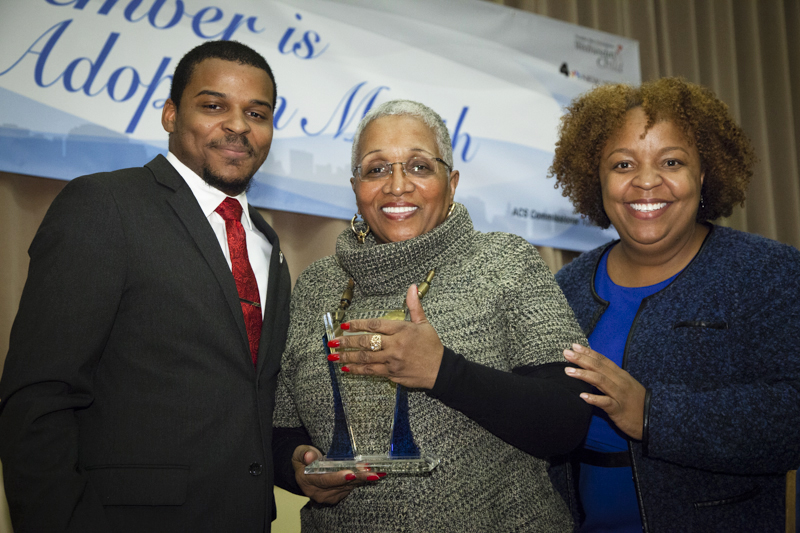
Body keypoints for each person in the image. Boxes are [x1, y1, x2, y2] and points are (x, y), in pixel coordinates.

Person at [0, 40, 291, 532]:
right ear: (170, 114)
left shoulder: (266, 241)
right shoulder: (104, 205)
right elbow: (38, 397)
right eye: (214, 105)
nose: (239, 126)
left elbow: (247, 398)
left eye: (256, 113)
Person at [271, 99, 593, 532]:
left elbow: (568, 419)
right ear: (355, 186)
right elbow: (280, 430)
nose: (397, 185)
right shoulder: (317, 286)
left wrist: (444, 371)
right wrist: (299, 467)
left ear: (452, 181)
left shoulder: (507, 262)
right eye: (377, 169)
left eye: (420, 166)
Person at [548, 77, 800, 531]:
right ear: (598, 181)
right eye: (623, 164)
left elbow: (792, 417)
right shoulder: (562, 288)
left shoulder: (771, 273)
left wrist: (652, 413)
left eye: (671, 161)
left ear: (702, 175)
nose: (646, 181)